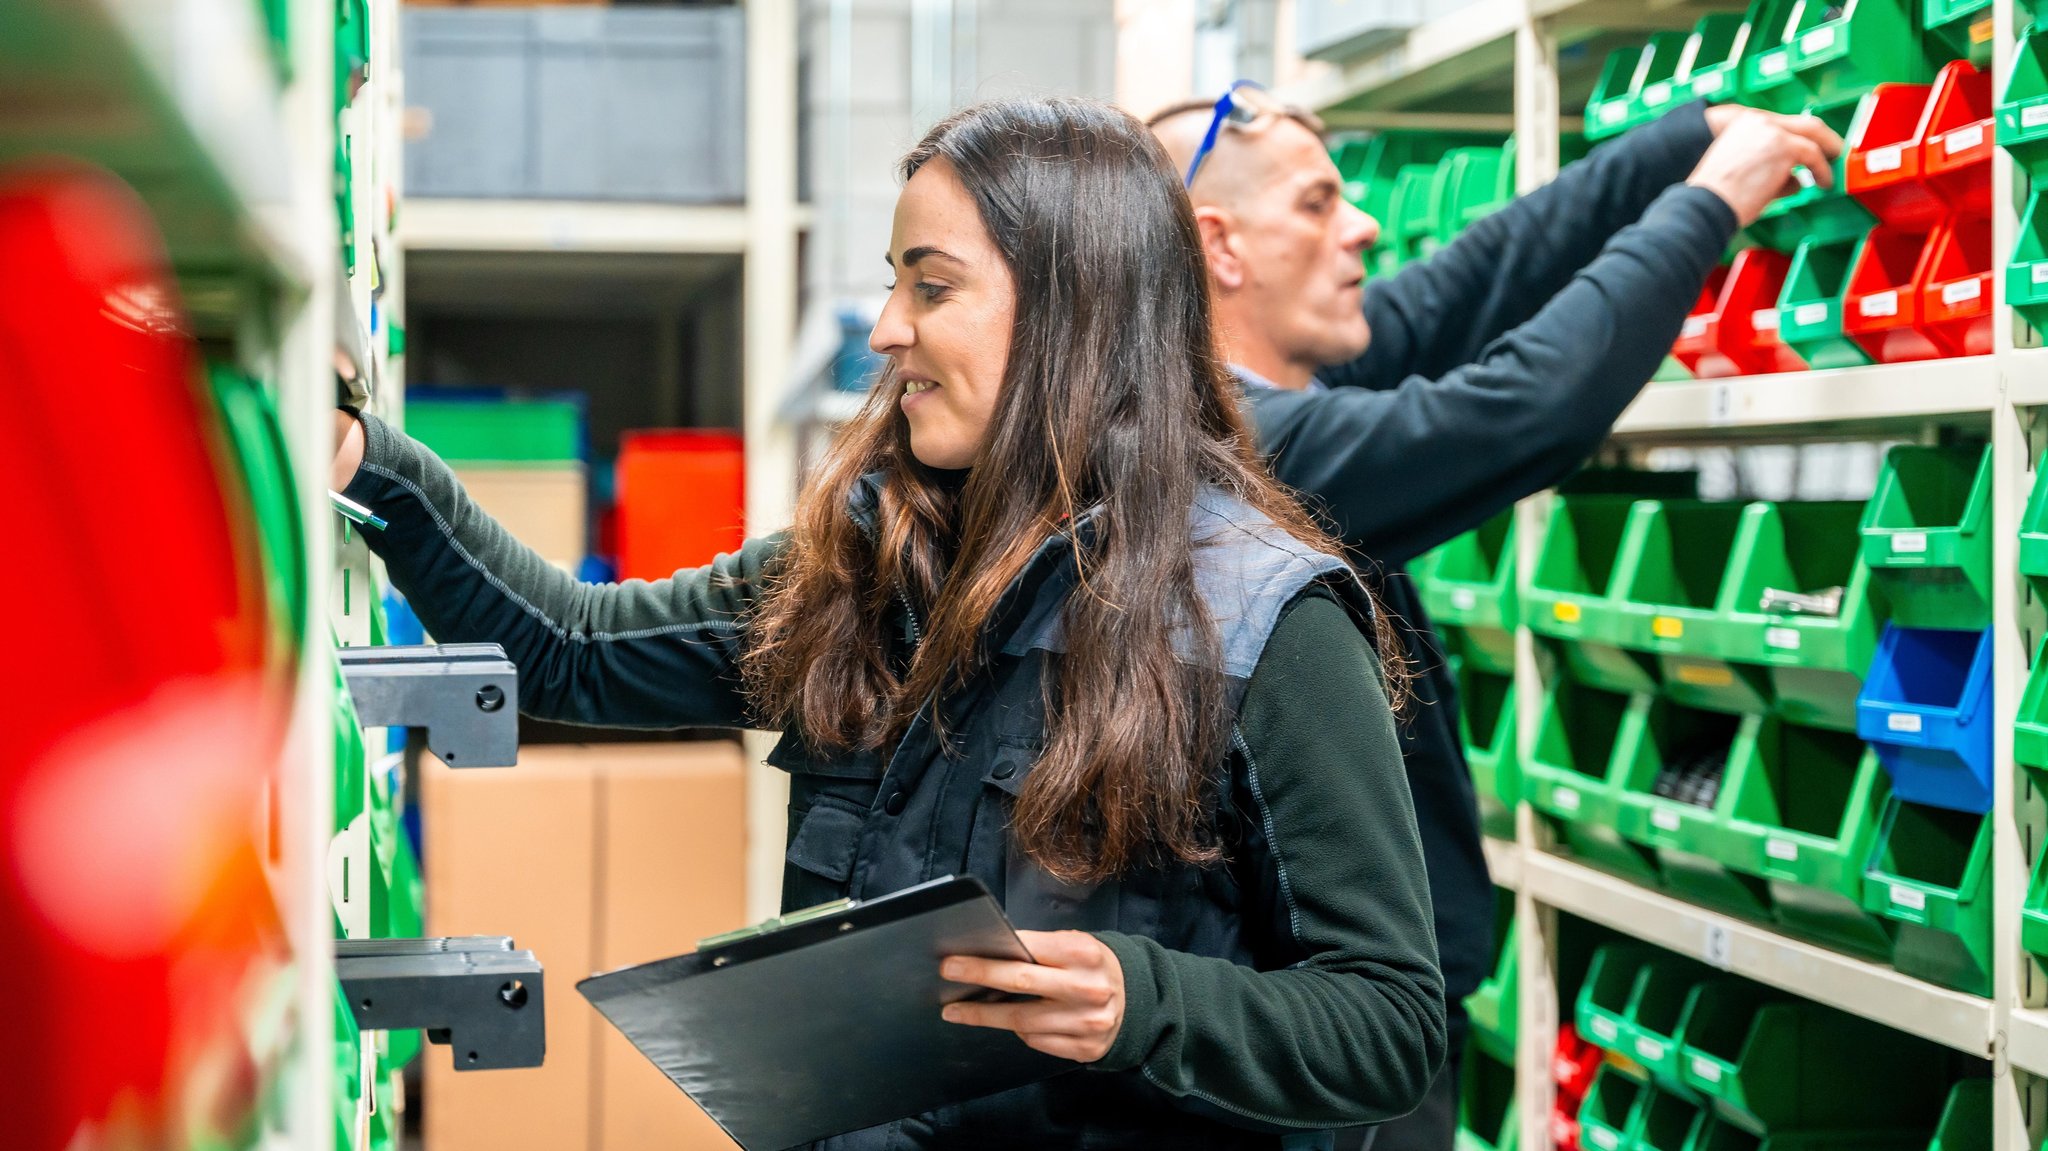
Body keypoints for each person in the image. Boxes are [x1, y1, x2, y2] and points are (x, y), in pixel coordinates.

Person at [331, 96, 1446, 1149]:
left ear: (1076, 310)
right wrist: (370, 465)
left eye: (931, 287)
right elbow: (567, 649)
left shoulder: (1265, 623)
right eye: (892, 283)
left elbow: (1387, 1020)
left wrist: (1141, 1001)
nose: (883, 330)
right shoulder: (862, 567)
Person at [1149, 90, 1843, 1151]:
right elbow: (1520, 410)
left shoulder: (1243, 401)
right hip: (1326, 1039)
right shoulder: (1246, 457)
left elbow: (1473, 281)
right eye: (1318, 200)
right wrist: (1707, 201)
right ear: (1220, 247)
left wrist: (1683, 133)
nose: (1365, 224)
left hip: (1328, 1010)